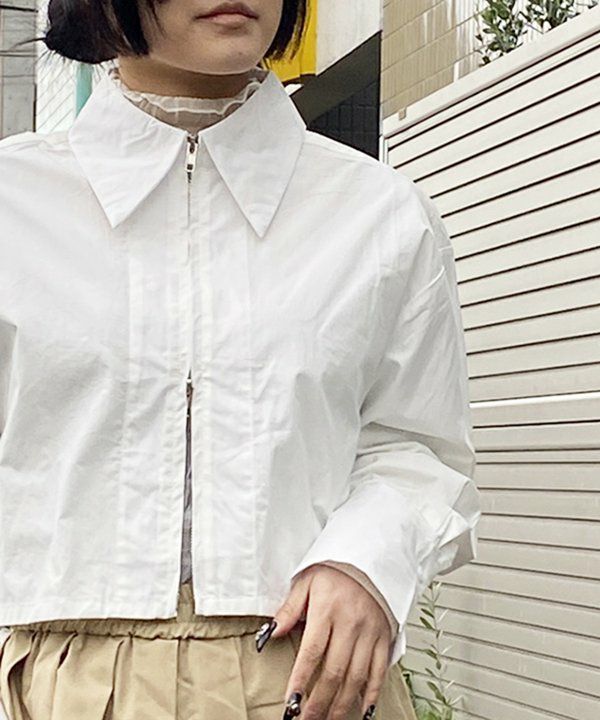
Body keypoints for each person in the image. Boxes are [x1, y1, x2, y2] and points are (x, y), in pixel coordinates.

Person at [0, 1, 482, 719]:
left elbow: (420, 444)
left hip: (312, 679)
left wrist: (365, 561)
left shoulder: (378, 212)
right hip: (65, 677)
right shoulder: (15, 204)